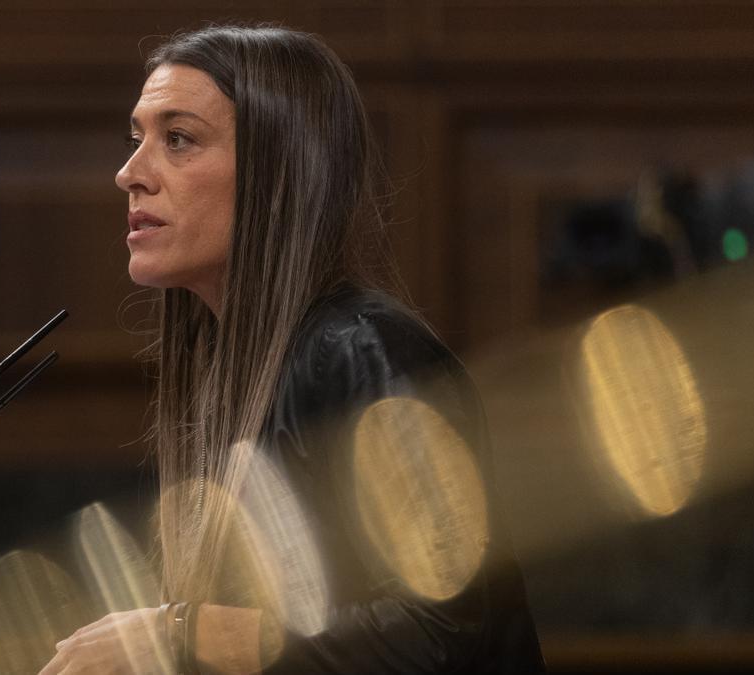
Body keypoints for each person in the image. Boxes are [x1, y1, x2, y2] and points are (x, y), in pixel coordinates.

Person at [39, 24, 545, 674]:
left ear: (277, 174)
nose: (129, 173)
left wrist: (176, 633)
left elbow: (435, 635)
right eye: (137, 139)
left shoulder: (365, 348)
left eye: (179, 139)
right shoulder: (235, 372)